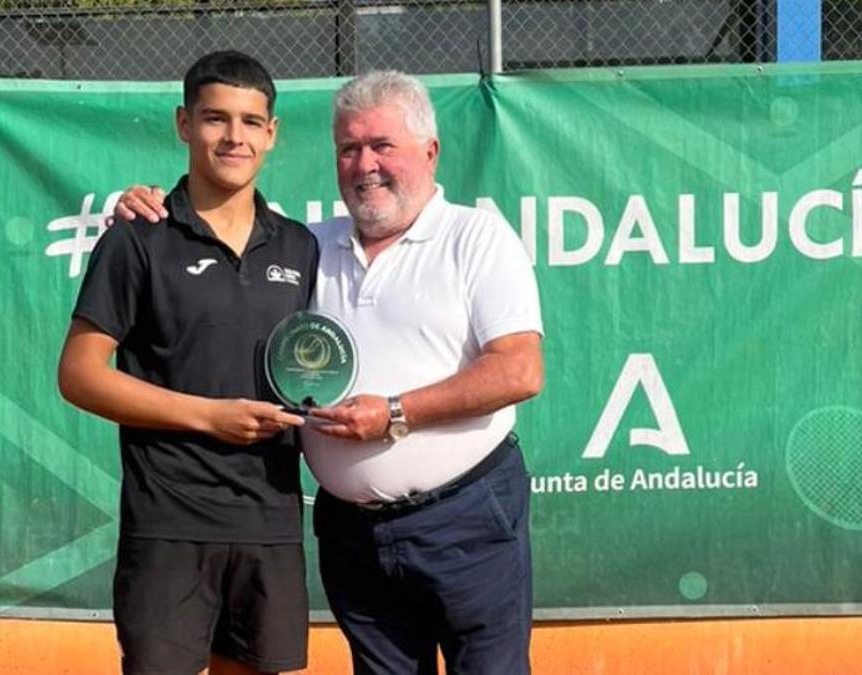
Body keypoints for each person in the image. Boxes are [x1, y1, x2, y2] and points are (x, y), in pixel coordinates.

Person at [115, 70, 544, 675]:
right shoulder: (307, 248)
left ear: (430, 151)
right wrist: (143, 206)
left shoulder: (476, 237)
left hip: (466, 521)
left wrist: (395, 413)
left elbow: (519, 370)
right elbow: (216, 239)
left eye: (382, 146)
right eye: (349, 148)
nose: (365, 164)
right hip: (351, 537)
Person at [57, 50, 318, 675]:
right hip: (168, 523)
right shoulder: (137, 237)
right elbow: (79, 374)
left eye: (252, 122)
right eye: (215, 119)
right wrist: (208, 417)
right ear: (183, 124)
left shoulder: (302, 246)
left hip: (270, 521)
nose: (234, 137)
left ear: (272, 134)